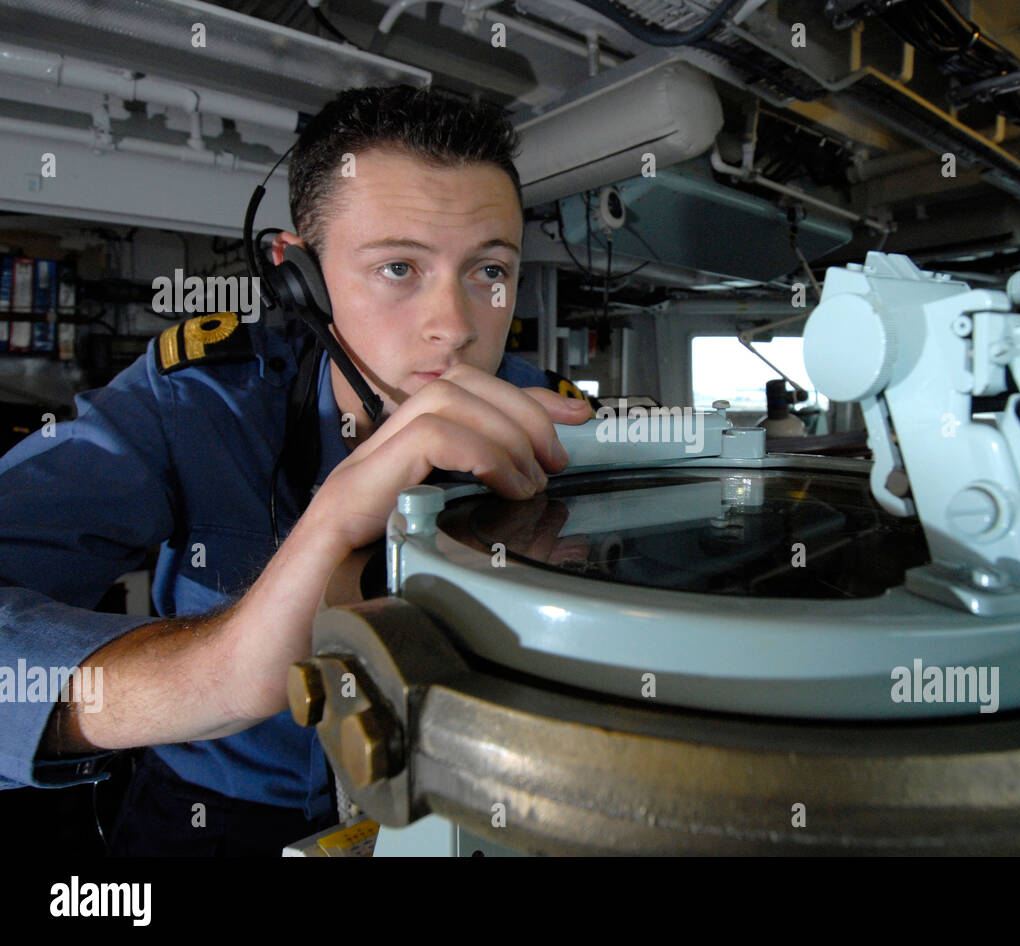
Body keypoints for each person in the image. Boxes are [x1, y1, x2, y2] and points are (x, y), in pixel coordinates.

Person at [0, 84, 593, 855]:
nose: (454, 328)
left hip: (462, 809)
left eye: (488, 272)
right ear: (296, 277)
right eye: (399, 269)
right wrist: (224, 670)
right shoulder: (197, 400)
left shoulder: (548, 421)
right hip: (212, 815)